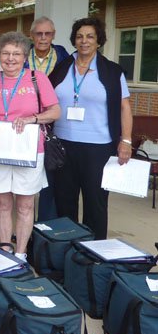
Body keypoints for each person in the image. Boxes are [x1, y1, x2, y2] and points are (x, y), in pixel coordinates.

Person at [0, 32, 61, 261]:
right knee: (2, 203)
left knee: (24, 205)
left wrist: (32, 118)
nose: (10, 58)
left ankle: (21, 254)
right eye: (5, 53)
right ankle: (5, 252)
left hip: (29, 151)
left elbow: (55, 111)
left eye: (16, 54)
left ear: (25, 56)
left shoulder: (37, 78)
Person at [49, 17, 132, 240]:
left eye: (90, 36)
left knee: (95, 203)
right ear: (74, 40)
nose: (84, 41)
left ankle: (93, 257)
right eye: (79, 36)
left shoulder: (113, 72)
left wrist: (126, 140)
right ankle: (64, 252)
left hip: (99, 147)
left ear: (98, 41)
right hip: (63, 145)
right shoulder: (61, 68)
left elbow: (124, 107)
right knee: (64, 201)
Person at [25, 16, 70, 222]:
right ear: (31, 35)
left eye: (48, 33)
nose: (43, 38)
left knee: (50, 177)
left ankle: (44, 227)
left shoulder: (64, 57)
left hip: (54, 121)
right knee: (24, 179)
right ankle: (24, 226)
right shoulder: (22, 55)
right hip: (26, 121)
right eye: (38, 33)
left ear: (53, 35)